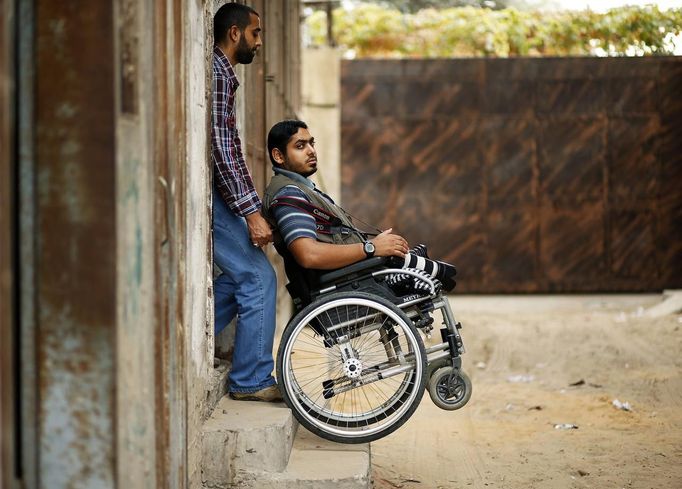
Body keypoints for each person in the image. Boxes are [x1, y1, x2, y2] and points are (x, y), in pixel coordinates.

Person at [262, 119, 457, 296]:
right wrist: (371, 248)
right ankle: (419, 268)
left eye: (311, 143)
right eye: (300, 146)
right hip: (346, 283)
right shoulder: (288, 194)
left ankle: (416, 265)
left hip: (355, 275)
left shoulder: (300, 188)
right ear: (278, 155)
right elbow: (308, 255)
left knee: (416, 261)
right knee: (437, 276)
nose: (311, 151)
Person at [211, 3, 281, 402]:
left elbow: (232, 150)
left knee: (241, 277)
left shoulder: (225, 75)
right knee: (257, 278)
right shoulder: (219, 73)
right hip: (214, 198)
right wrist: (251, 214)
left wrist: (253, 205)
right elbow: (221, 150)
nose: (259, 42)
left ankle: (201, 340)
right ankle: (252, 379)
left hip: (222, 197)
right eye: (256, 34)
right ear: (235, 33)